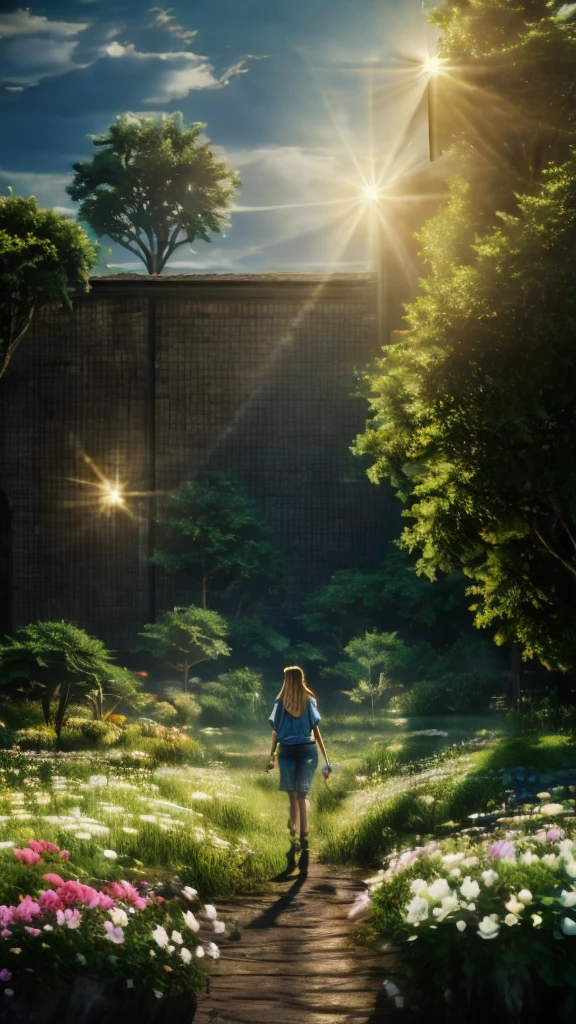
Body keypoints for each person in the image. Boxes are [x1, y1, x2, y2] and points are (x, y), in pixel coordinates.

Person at [266, 665, 331, 854]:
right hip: (307, 751)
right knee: (302, 795)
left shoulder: (279, 704)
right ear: (301, 680)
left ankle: (293, 837)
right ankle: (304, 839)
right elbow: (316, 731)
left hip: (287, 751)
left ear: (286, 680)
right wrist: (326, 759)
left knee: (293, 797)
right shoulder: (309, 701)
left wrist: (271, 756)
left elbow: (275, 733)